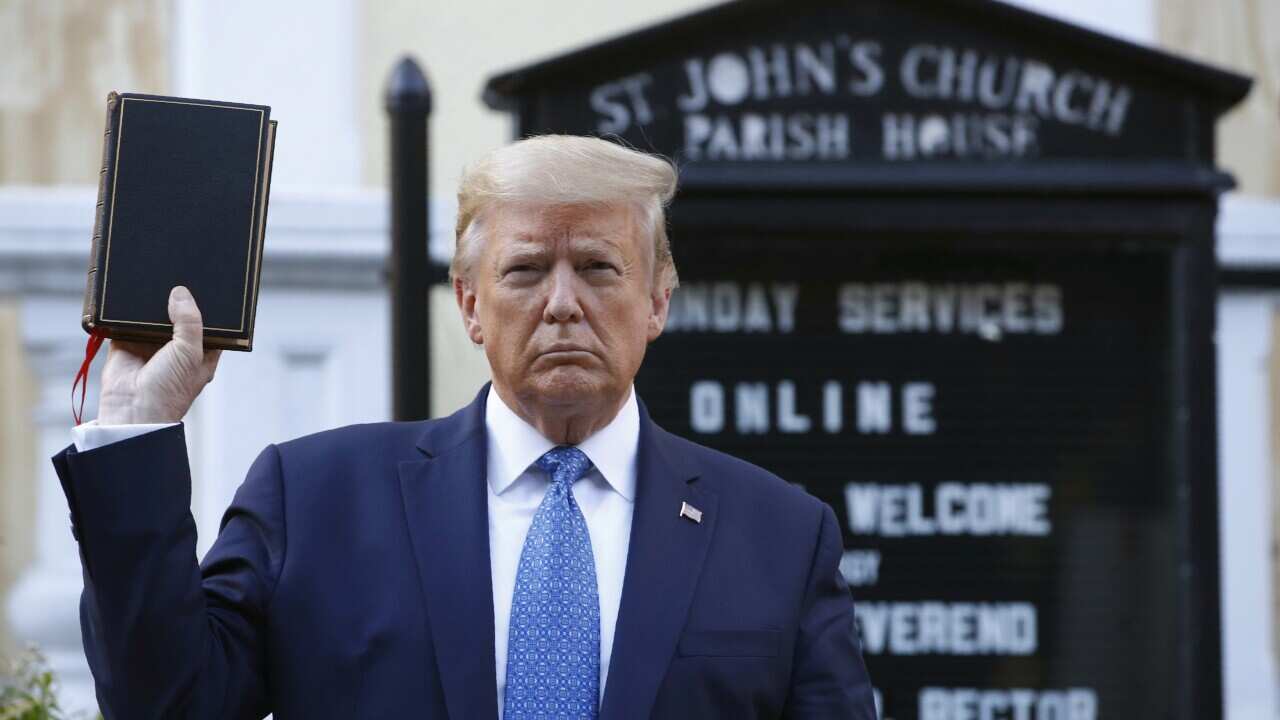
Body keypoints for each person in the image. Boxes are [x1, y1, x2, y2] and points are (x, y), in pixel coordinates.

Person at [52, 135, 876, 719]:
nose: (562, 303)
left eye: (596, 267)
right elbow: (166, 704)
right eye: (524, 270)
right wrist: (137, 431)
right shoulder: (316, 500)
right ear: (471, 303)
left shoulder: (778, 538)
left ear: (658, 300)